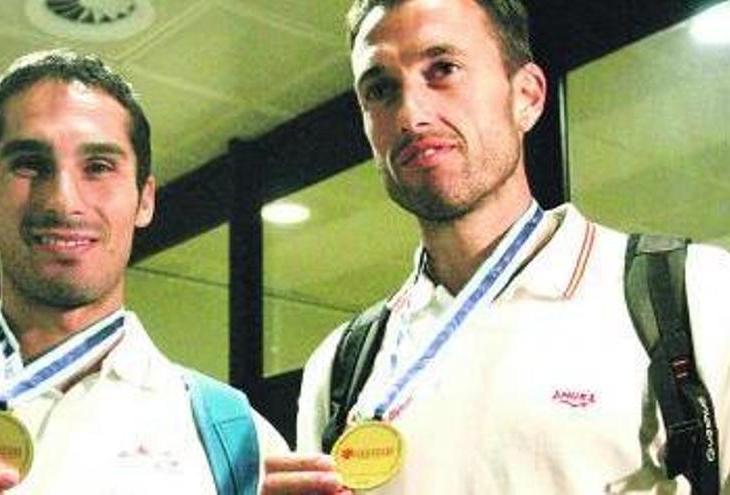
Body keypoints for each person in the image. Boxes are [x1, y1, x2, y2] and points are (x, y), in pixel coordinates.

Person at [262, 0, 730, 493]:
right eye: (380, 89)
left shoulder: (693, 294)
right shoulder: (340, 367)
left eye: (443, 69)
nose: (410, 114)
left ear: (526, 96)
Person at [0, 49, 286, 494]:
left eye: (98, 167)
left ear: (145, 199)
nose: (63, 200)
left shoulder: (242, 445)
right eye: (29, 164)